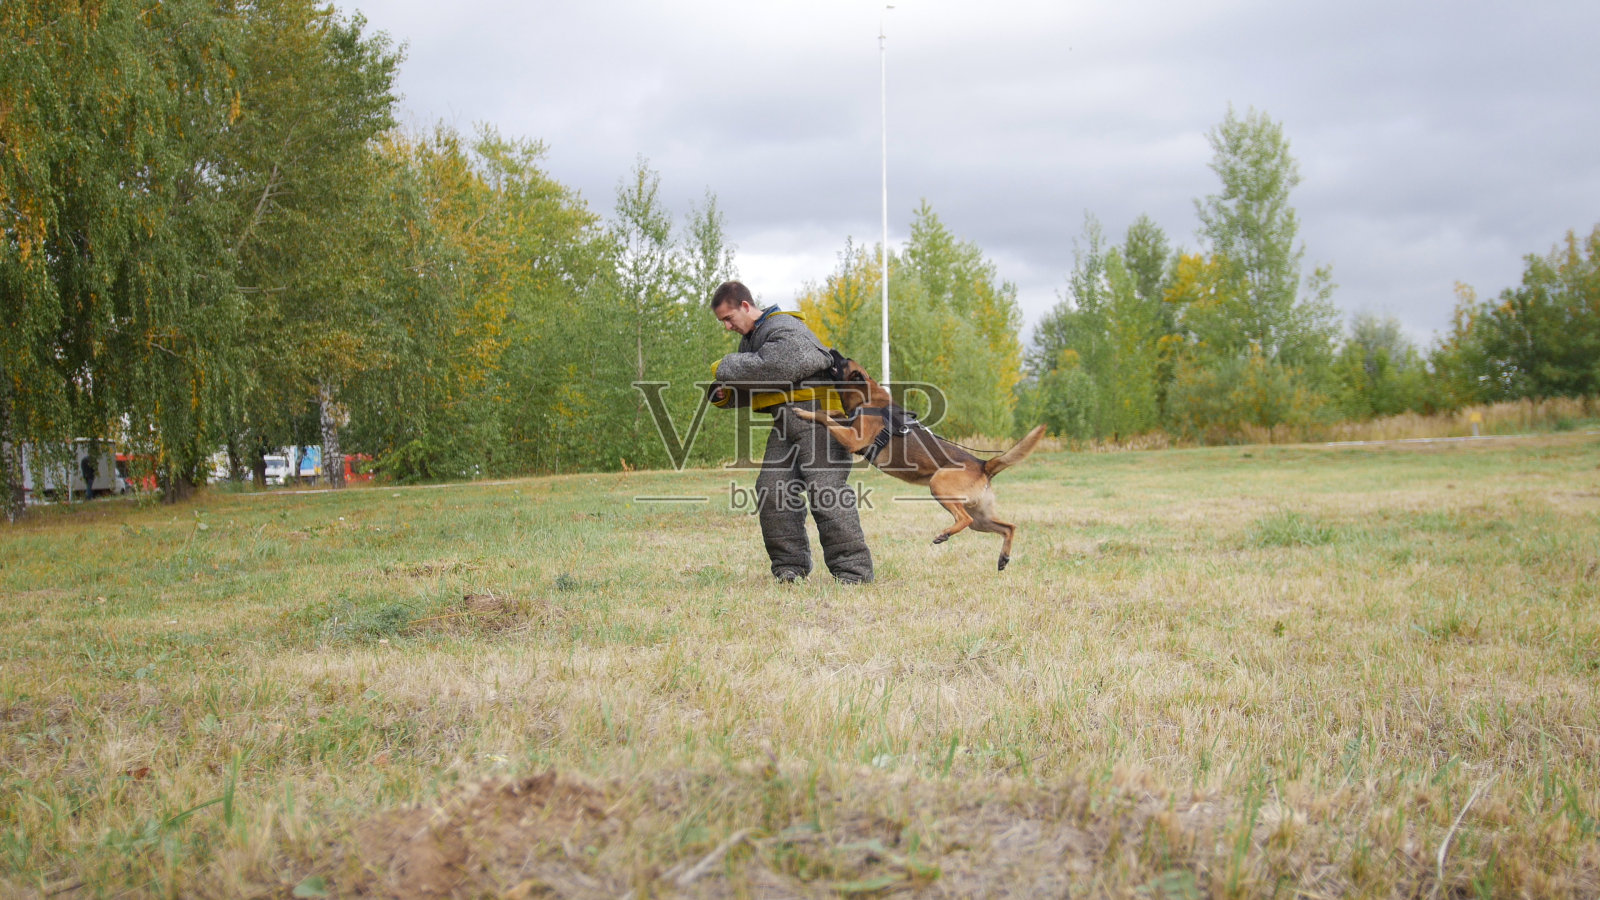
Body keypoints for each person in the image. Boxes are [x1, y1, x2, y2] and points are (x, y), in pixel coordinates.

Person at [707, 281, 873, 584]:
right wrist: (726, 395)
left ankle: (854, 573)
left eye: (729, 318)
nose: (728, 327)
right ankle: (789, 569)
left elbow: (785, 364)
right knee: (772, 490)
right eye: (723, 322)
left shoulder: (783, 326)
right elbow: (766, 381)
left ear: (745, 306)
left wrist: (725, 366)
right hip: (787, 423)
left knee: (826, 493)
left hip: (822, 420)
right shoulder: (753, 340)